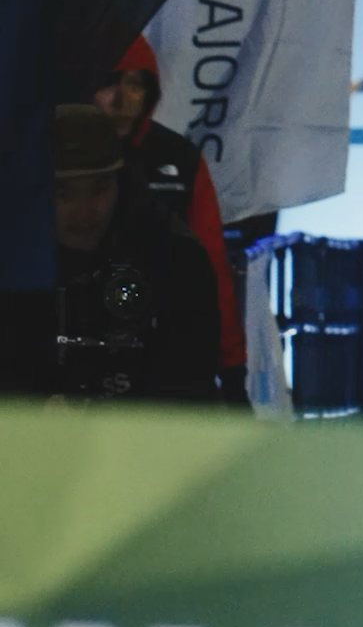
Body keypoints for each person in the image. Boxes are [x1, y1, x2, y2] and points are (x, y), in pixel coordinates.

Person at [30, 104, 224, 403]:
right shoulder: (14, 263)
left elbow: (191, 388)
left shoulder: (173, 257)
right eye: (63, 193)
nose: (84, 212)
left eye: (99, 189)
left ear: (120, 182)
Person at [94, 36, 248, 402]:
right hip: (80, 347)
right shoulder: (48, 153)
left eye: (135, 84)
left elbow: (212, 265)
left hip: (170, 354)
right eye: (110, 82)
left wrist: (232, 368)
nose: (122, 99)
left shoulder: (179, 158)